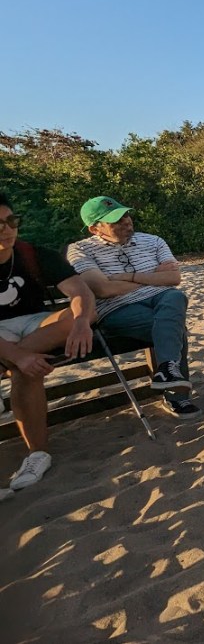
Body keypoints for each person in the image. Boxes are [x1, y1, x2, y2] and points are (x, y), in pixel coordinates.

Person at [67, 196, 201, 420]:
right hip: (118, 309)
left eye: (126, 215)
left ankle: (168, 370)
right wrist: (152, 276)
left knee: (175, 297)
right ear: (94, 229)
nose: (126, 222)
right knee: (173, 326)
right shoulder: (80, 250)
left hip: (162, 299)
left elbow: (174, 278)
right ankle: (175, 392)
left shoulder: (153, 241)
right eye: (116, 220)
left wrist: (127, 277)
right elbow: (103, 290)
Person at [0, 193, 96, 494]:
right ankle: (37, 453)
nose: (6, 229)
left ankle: (37, 454)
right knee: (27, 367)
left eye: (11, 220)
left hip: (35, 323)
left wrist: (82, 322)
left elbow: (81, 292)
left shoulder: (33, 254)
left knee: (73, 317)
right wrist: (18, 356)